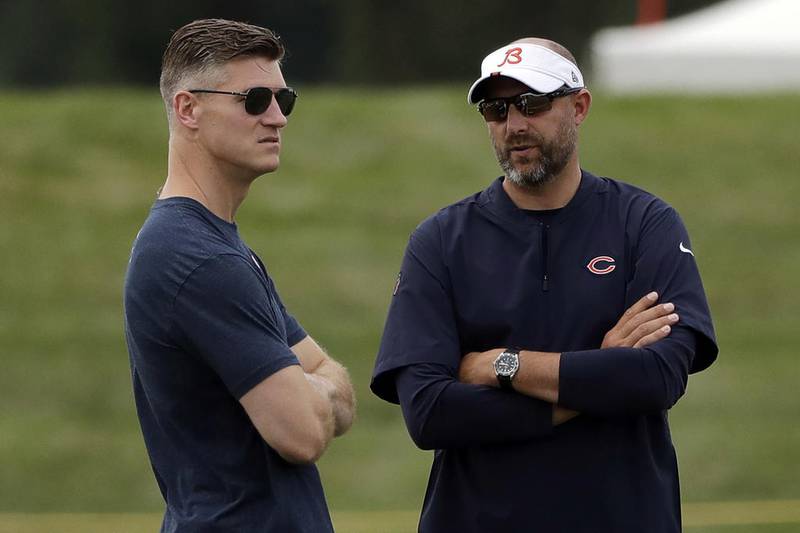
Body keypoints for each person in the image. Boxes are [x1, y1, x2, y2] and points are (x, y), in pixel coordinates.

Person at [371, 38, 717, 533]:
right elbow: (429, 413)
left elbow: (658, 377)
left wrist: (501, 365)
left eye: (532, 103)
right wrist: (598, 376)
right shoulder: (441, 240)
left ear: (579, 107)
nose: (514, 125)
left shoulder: (645, 223)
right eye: (497, 109)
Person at [123, 19, 355, 532]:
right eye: (254, 99)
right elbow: (303, 434)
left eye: (283, 99)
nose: (277, 118)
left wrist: (309, 387)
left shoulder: (215, 245)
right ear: (188, 109)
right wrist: (309, 388)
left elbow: (342, 391)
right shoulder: (199, 259)